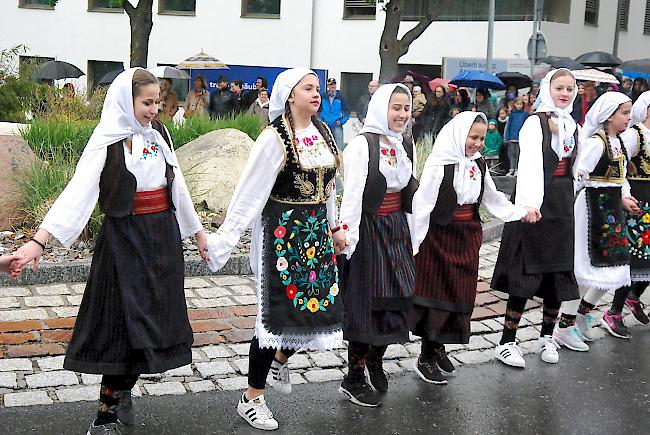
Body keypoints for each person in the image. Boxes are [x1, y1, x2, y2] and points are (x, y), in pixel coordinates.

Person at [12, 68, 207, 435]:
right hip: (125, 242)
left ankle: (122, 391)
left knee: (153, 327)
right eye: (146, 102)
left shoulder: (159, 135)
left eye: (157, 102)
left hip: (161, 240)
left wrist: (197, 232)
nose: (154, 109)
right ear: (125, 100)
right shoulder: (107, 140)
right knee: (122, 327)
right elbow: (77, 193)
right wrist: (40, 241)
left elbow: (176, 187)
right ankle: (105, 414)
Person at [205, 68, 344, 431]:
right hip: (281, 236)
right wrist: (224, 239)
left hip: (315, 237)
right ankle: (252, 397)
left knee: (315, 311)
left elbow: (328, 190)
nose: (316, 94)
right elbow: (249, 194)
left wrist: (335, 227)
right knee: (275, 315)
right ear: (289, 95)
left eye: (317, 88)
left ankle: (280, 359)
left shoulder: (323, 133)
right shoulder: (274, 138)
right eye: (308, 88)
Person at [410, 112, 535, 384]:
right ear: (458, 135)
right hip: (440, 237)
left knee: (459, 294)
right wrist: (414, 244)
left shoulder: (478, 164)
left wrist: (518, 212)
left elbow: (491, 197)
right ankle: (426, 354)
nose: (478, 143)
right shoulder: (439, 165)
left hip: (467, 235)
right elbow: (422, 206)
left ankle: (440, 345)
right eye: (473, 137)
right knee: (437, 294)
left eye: (481, 138)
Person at [491, 69, 580, 368]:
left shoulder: (572, 125)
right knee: (525, 272)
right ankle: (506, 341)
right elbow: (529, 164)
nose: (564, 93)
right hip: (536, 201)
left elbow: (573, 166)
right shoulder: (535, 122)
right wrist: (529, 203)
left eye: (569, 88)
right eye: (559, 88)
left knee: (558, 271)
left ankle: (547, 335)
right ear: (548, 88)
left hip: (562, 203)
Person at [337, 83, 418, 406]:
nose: (401, 114)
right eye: (395, 108)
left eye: (405, 108)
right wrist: (348, 239)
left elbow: (408, 193)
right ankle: (353, 376)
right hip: (370, 231)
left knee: (395, 299)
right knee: (366, 305)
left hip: (396, 229)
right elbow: (353, 196)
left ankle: (375, 359)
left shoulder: (402, 145)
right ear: (380, 107)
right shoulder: (361, 146)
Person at [554, 92, 634, 352]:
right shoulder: (596, 144)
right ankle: (564, 327)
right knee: (586, 269)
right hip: (592, 210)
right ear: (609, 115)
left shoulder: (618, 142)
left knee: (615, 268)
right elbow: (578, 177)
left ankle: (581, 313)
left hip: (612, 212)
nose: (628, 117)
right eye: (624, 112)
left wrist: (625, 195)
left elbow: (621, 177)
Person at [601, 90, 650, 335]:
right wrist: (621, 194)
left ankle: (634, 296)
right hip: (638, 202)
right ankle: (614, 311)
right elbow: (618, 164)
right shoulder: (636, 135)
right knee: (633, 258)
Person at [319, 77, 350, 149]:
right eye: (331, 84)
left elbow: (347, 112)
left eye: (334, 84)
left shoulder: (341, 97)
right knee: (324, 147)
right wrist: (321, 121)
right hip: (325, 126)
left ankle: (339, 160)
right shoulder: (323, 96)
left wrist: (341, 122)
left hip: (337, 126)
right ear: (328, 86)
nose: (333, 86)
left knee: (339, 147)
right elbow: (318, 111)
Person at [504, 97, 529, 176]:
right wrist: (506, 137)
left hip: (520, 138)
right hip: (512, 137)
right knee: (511, 154)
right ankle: (512, 168)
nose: (519, 106)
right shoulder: (512, 115)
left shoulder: (525, 115)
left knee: (519, 154)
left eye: (520, 104)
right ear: (514, 104)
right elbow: (508, 126)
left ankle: (518, 169)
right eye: (517, 104)